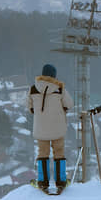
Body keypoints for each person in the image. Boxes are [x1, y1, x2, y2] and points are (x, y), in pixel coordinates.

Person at [29, 63, 74, 191]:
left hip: (40, 128)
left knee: (42, 153)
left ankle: (43, 182)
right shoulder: (60, 88)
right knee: (59, 153)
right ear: (54, 75)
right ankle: (61, 181)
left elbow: (28, 106)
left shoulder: (33, 89)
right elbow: (69, 104)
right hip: (58, 127)